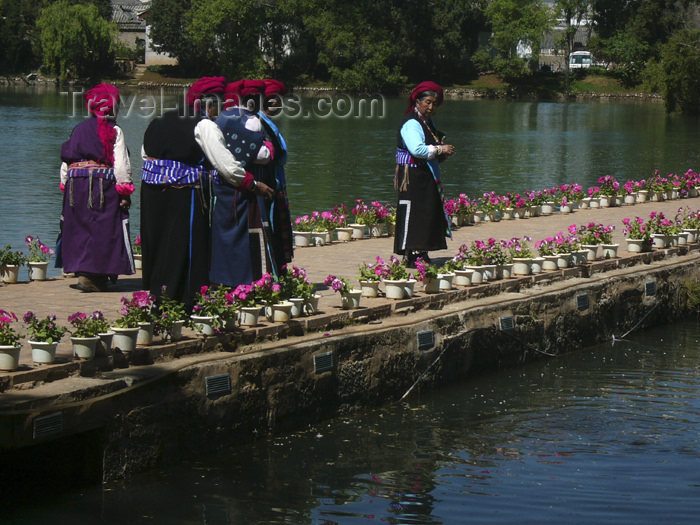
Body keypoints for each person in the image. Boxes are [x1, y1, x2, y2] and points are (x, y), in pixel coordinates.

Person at [140, 76, 274, 309]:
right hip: (184, 194)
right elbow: (226, 165)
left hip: (152, 192)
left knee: (158, 242)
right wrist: (252, 184)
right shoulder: (203, 125)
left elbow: (145, 154)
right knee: (184, 245)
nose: (220, 110)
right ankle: (183, 300)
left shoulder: (159, 120)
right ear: (208, 103)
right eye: (219, 104)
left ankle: (156, 297)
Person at [58, 83, 135, 292]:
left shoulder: (78, 129)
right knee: (103, 229)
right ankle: (94, 276)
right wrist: (125, 191)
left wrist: (65, 185)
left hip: (77, 187)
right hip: (102, 186)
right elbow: (121, 163)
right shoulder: (114, 130)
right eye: (117, 104)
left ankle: (86, 274)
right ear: (112, 107)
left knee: (81, 228)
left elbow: (67, 160)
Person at [210, 79, 280, 288]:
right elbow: (262, 155)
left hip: (221, 183)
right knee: (246, 231)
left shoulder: (221, 118)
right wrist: (270, 146)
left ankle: (219, 278)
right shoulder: (251, 121)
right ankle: (248, 280)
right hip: (245, 183)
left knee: (224, 231)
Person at [394, 81, 456, 267]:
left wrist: (440, 152)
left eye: (434, 103)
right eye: (427, 102)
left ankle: (421, 252)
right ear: (417, 101)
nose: (430, 107)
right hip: (413, 176)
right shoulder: (412, 123)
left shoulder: (427, 122)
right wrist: (440, 149)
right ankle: (411, 253)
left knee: (426, 212)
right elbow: (418, 150)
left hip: (424, 174)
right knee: (415, 212)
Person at [259, 79, 294, 270]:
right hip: (270, 180)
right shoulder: (261, 122)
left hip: (276, 179)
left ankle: (278, 268)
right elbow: (279, 154)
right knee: (272, 229)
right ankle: (274, 270)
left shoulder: (266, 122)